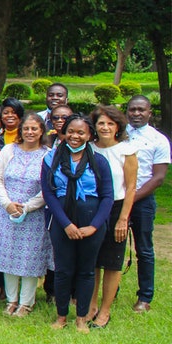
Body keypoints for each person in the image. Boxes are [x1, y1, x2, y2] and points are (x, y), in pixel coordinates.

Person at [41, 115, 114, 332]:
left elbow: (107, 196)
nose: (75, 136)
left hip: (91, 223)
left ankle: (82, 317)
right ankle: (61, 316)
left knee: (86, 271)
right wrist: (66, 224)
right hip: (61, 222)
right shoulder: (50, 159)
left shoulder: (99, 161)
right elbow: (49, 194)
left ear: (89, 135)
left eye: (81, 132)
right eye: (71, 131)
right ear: (64, 132)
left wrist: (93, 226)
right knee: (63, 270)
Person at [0, 112, 53, 317]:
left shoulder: (48, 155)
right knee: (8, 256)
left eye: (34, 128)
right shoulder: (8, 150)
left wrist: (27, 206)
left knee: (29, 257)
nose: (30, 132)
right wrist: (7, 204)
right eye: (26, 128)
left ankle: (26, 302)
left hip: (34, 214)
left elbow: (48, 187)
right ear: (20, 130)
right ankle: (11, 299)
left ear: (41, 130)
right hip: (6, 212)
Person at [87, 105, 137, 328]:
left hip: (117, 208)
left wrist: (123, 219)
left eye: (110, 123)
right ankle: (91, 307)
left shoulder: (126, 150)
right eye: (101, 123)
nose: (105, 127)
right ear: (94, 127)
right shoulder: (88, 149)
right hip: (92, 208)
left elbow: (132, 187)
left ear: (118, 127)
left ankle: (105, 311)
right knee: (93, 261)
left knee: (112, 262)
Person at [124, 95, 168, 313]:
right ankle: (110, 291)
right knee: (111, 248)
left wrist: (132, 198)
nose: (137, 113)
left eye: (141, 110)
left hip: (142, 201)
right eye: (133, 109)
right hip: (116, 200)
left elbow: (158, 178)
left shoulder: (158, 139)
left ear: (150, 113)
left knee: (144, 249)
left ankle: (145, 297)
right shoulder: (119, 134)